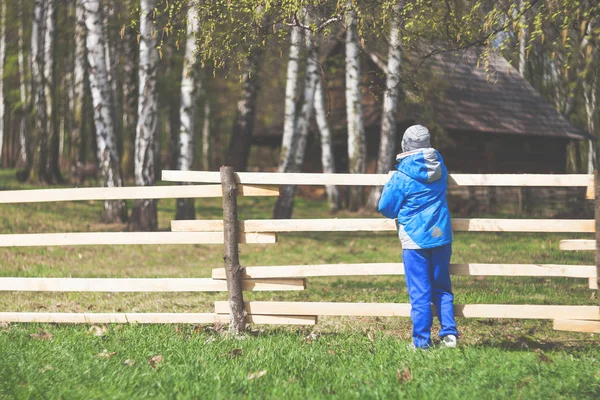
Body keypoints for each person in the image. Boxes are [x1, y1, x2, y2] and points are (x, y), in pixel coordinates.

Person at [378, 125, 458, 349]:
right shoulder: (440, 168)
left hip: (415, 240)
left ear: (405, 145)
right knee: (442, 287)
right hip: (441, 235)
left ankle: (421, 342)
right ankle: (449, 336)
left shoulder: (401, 176)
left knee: (420, 292)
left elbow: (386, 208)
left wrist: (391, 184)